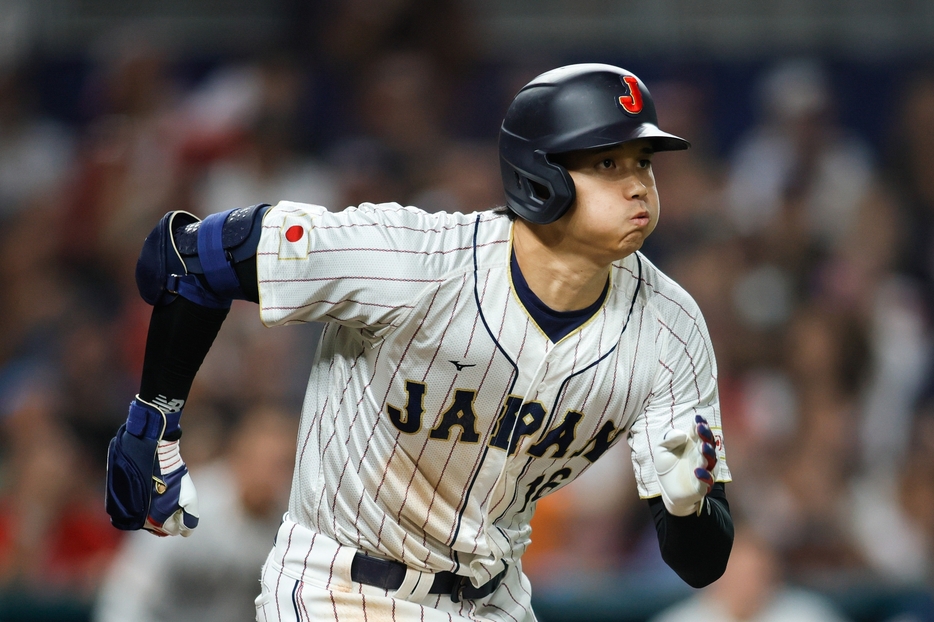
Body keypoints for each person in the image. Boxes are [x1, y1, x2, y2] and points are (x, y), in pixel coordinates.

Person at [103, 63, 734, 621]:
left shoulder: (672, 328)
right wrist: (154, 418)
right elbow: (184, 258)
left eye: (643, 163)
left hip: (496, 598)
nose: (638, 185)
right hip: (340, 588)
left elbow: (702, 565)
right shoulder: (414, 260)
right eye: (607, 163)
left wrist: (689, 510)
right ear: (539, 177)